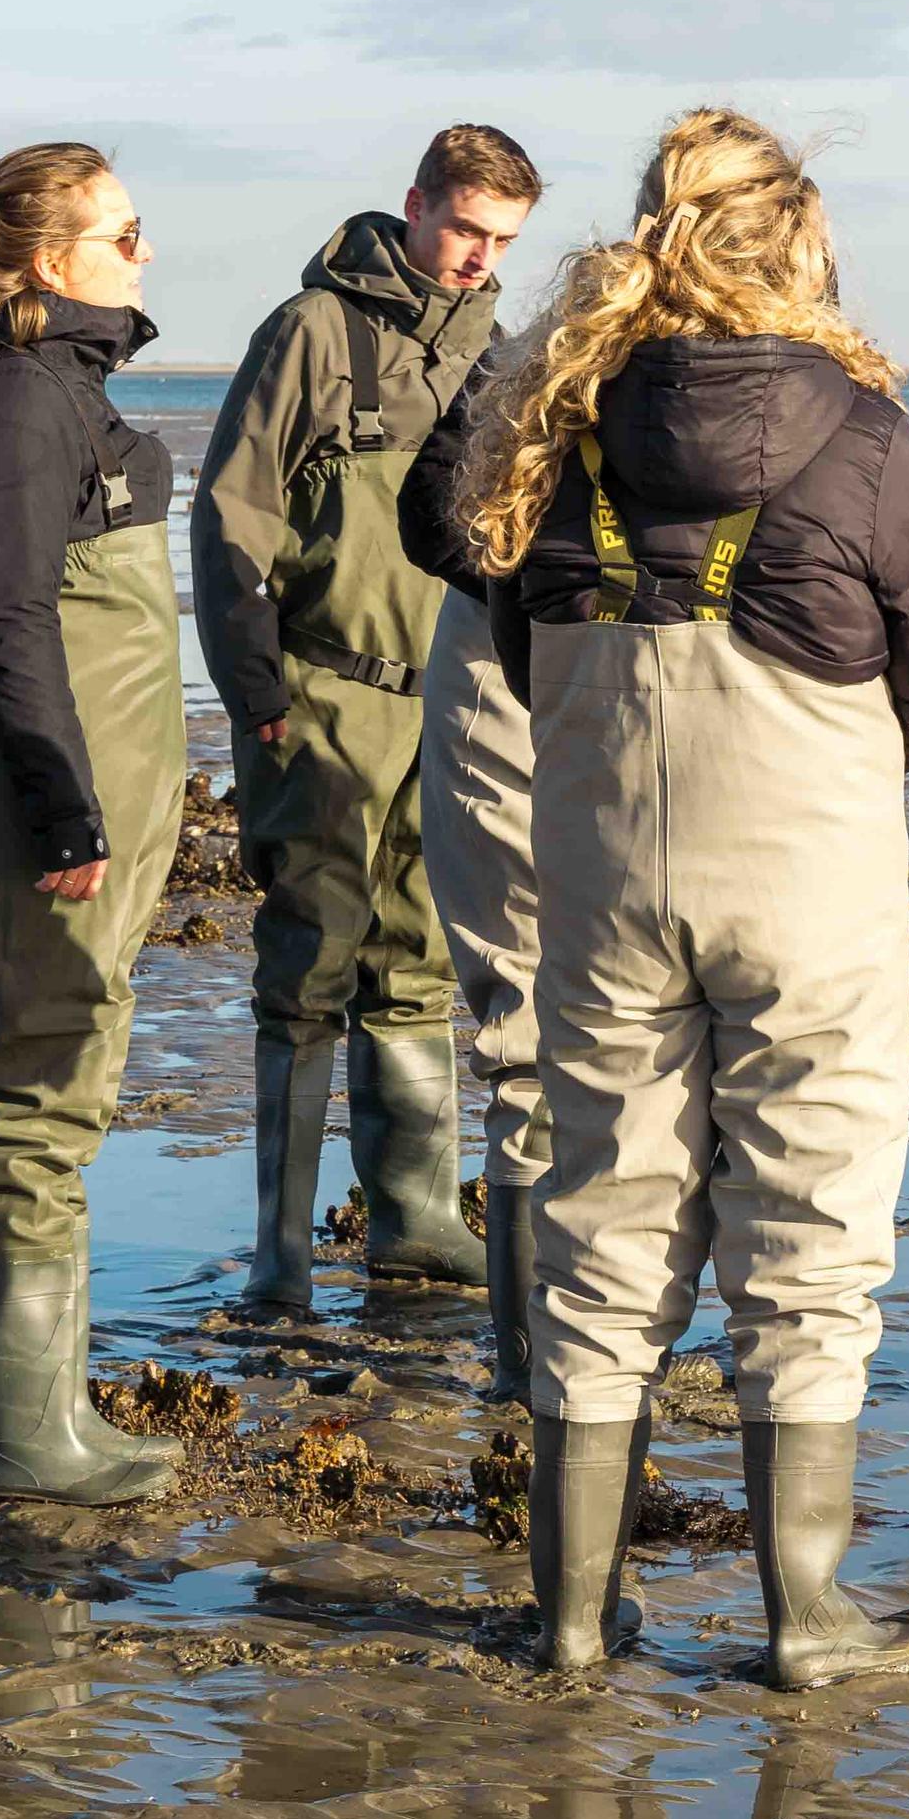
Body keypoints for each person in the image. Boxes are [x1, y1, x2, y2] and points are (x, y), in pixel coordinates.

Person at [456, 106, 909, 1687]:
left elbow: (510, 649)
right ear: (803, 250)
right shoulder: (871, 440)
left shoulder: (555, 427)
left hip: (607, 876)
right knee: (812, 1226)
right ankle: (809, 1616)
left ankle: (569, 1617)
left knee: (603, 1216)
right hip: (809, 878)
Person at [193, 126, 541, 1312]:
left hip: (451, 701)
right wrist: (258, 697)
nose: (475, 258)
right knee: (305, 971)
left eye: (499, 242)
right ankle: (279, 1259)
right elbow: (229, 515)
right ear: (414, 207)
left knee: (423, 964)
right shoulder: (310, 334)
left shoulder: (503, 350)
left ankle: (415, 1223)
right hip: (320, 698)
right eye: (462, 230)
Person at [0, 143, 188, 1507]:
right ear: (45, 259)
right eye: (126, 238)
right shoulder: (20, 405)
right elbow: (11, 617)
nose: (146, 260)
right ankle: (30, 1441)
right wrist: (66, 811)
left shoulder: (56, 394)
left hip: (85, 822)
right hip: (42, 829)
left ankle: (53, 1416)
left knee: (61, 1097)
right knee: (31, 1101)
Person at [402, 330, 540, 1399]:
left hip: (641, 710)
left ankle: (565, 1363)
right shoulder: (539, 356)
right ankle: (539, 1368)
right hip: (511, 687)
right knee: (534, 1035)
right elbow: (432, 510)